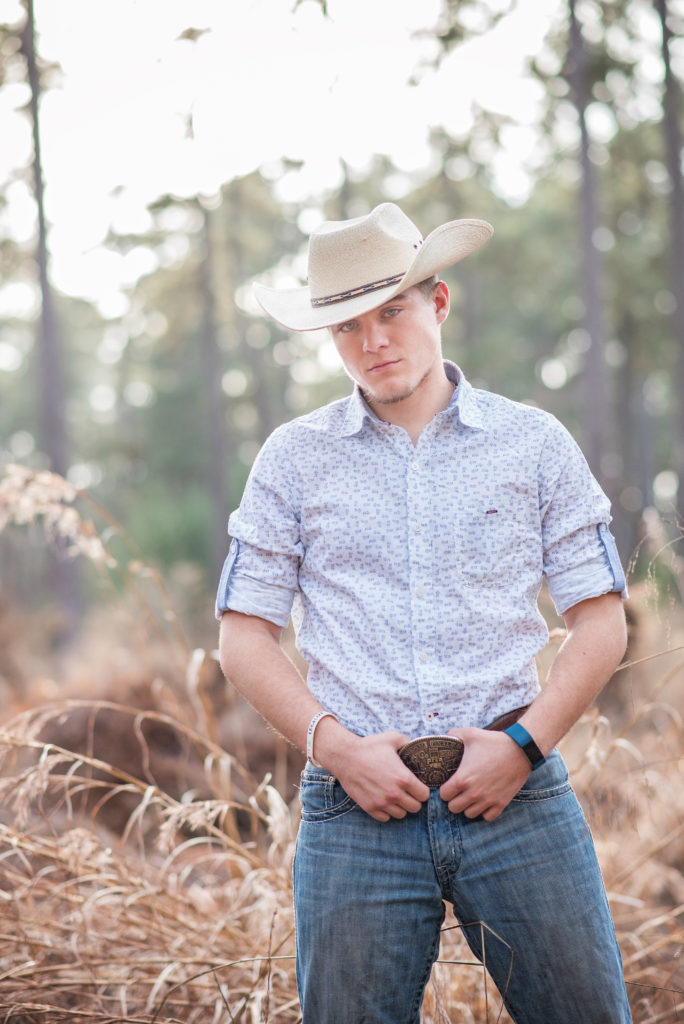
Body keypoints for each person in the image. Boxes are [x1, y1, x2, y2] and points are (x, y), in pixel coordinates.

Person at [216, 202, 632, 1024]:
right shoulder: (293, 461)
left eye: (393, 312)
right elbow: (242, 637)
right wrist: (339, 751)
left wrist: (524, 746)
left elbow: (602, 621)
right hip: (354, 813)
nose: (373, 342)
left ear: (438, 304)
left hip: (520, 798)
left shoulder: (534, 443)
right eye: (348, 328)